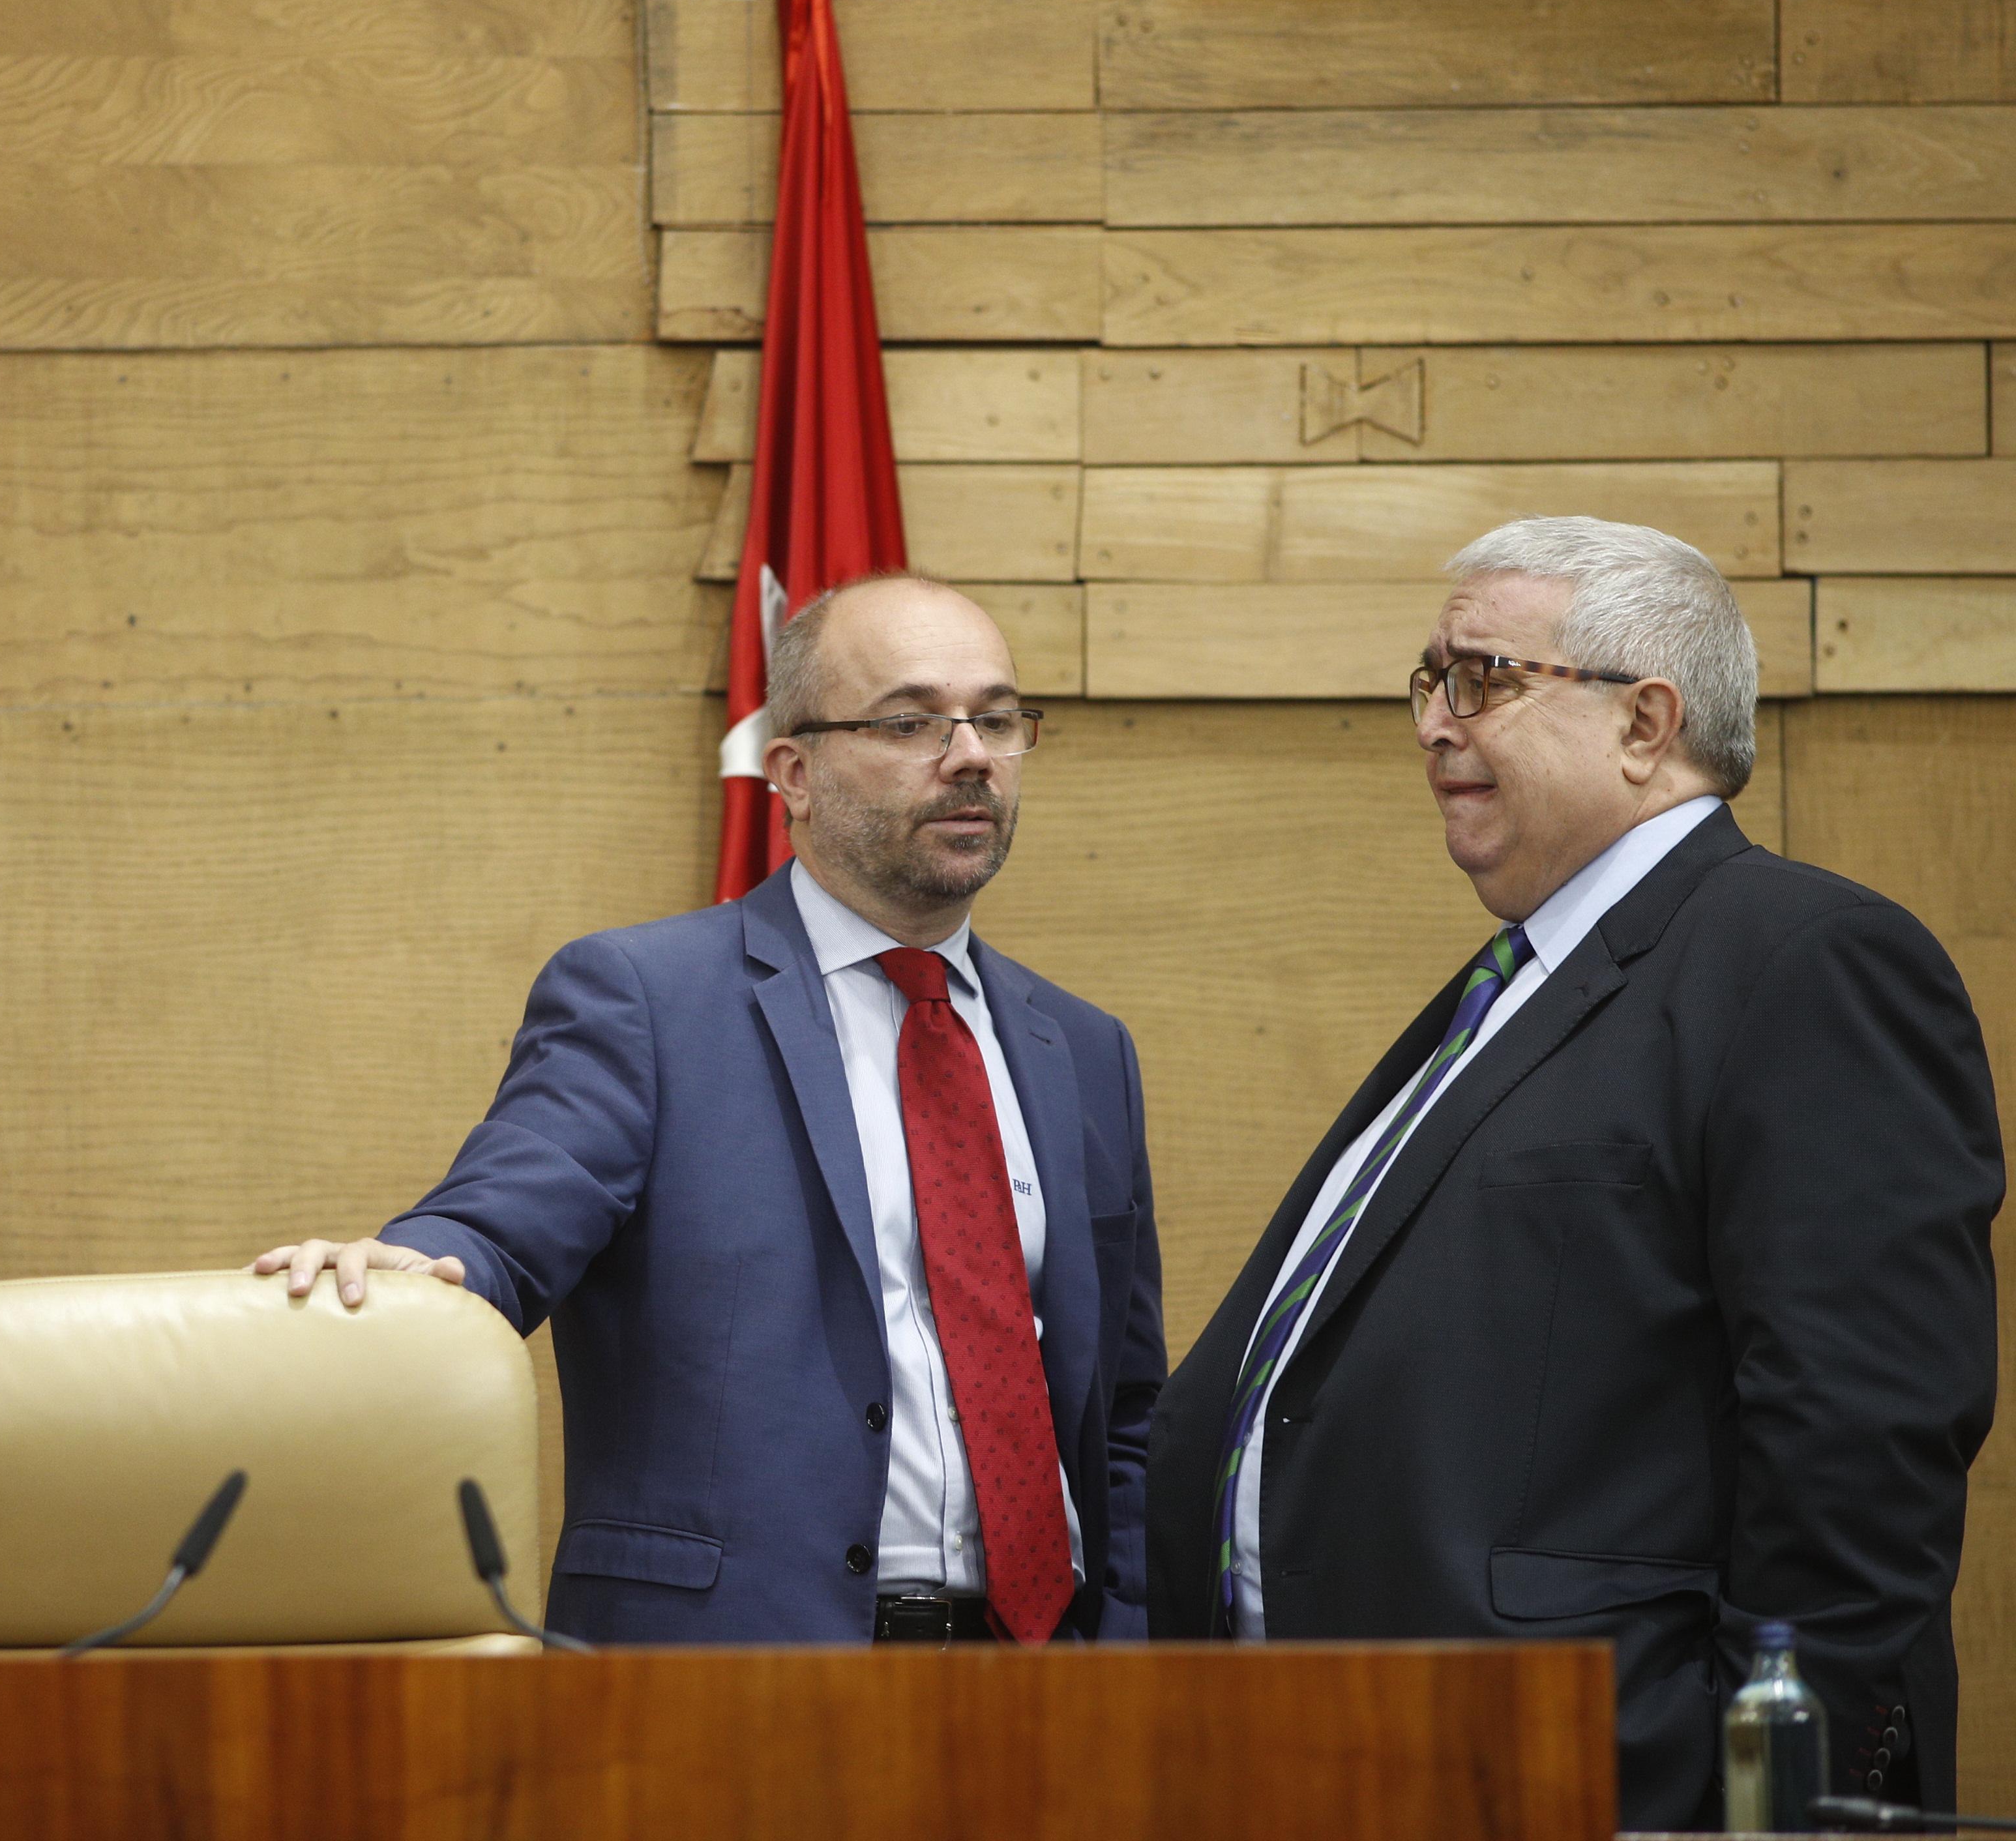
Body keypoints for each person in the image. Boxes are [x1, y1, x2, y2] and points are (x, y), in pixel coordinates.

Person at [1144, 517, 2000, 1825]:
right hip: (1353, 1762)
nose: (1435, 723)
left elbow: (1858, 1451)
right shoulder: (1516, 987)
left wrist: (1772, 1794)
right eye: (1426, 682)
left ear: (1646, 722)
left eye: (1480, 676)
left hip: (1611, 1782)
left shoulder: (1805, 959)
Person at [258, 574, 1164, 1645]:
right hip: (736, 1676)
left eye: (998, 719)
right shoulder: (647, 1002)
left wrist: (1134, 1632)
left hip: (1052, 1681)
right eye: (912, 720)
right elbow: (499, 1229)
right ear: (795, 771)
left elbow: (1125, 1411)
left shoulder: (1085, 1050)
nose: (971, 756)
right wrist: (421, 1270)